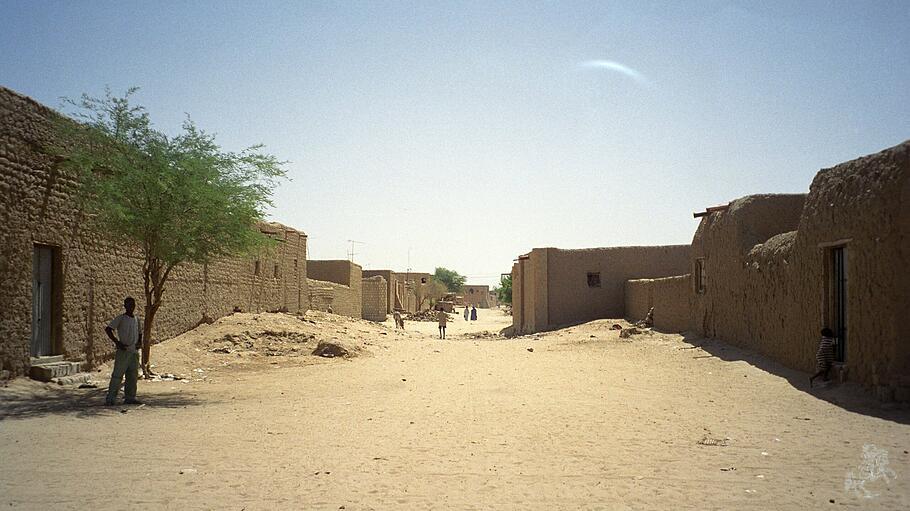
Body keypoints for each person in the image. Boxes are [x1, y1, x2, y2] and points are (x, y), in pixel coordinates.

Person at [105, 297, 142, 406]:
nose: (131, 307)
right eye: (129, 305)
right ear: (125, 306)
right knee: (117, 375)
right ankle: (111, 398)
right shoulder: (121, 318)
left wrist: (139, 342)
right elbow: (109, 329)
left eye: (133, 304)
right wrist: (117, 342)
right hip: (124, 351)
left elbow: (140, 333)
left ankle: (130, 397)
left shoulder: (136, 319)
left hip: (134, 351)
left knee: (132, 375)